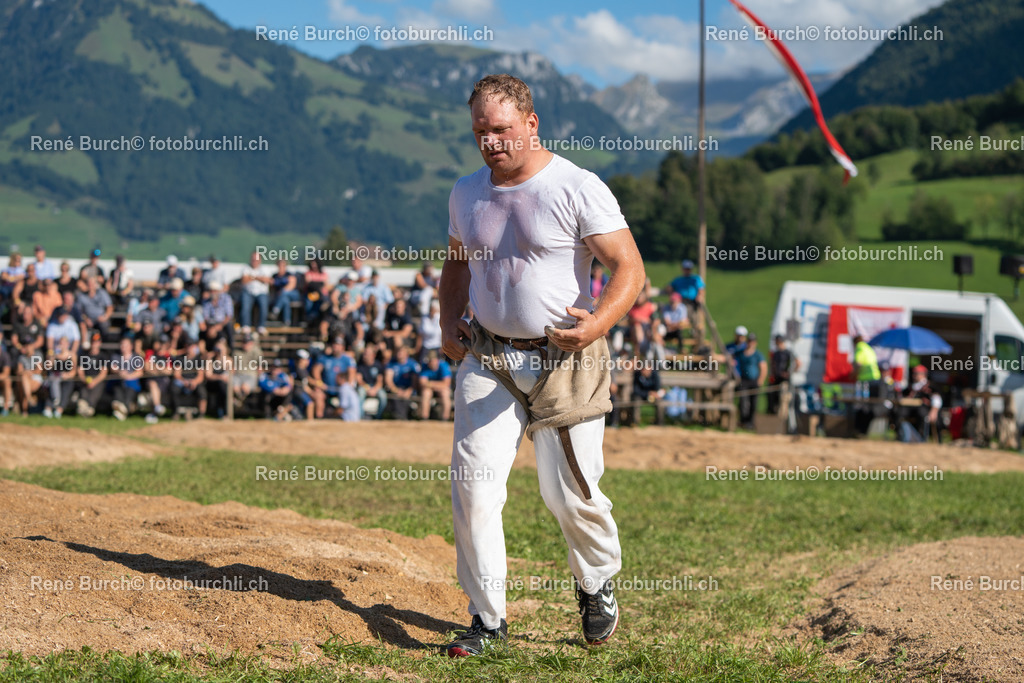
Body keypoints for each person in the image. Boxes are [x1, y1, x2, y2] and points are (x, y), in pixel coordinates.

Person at [440, 74, 645, 656]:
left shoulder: (578, 187)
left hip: (567, 358)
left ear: (531, 124)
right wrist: (448, 319)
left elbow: (628, 270)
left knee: (570, 494)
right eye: (481, 131)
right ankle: (487, 620)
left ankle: (596, 581)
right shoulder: (465, 192)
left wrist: (597, 324)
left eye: (502, 130)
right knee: (474, 486)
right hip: (490, 356)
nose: (491, 142)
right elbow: (457, 263)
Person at [901, 364, 943, 442]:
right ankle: (904, 437)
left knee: (922, 414)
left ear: (923, 375)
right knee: (900, 414)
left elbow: (937, 399)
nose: (914, 376)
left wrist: (934, 411)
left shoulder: (930, 386)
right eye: (914, 373)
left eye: (916, 374)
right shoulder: (910, 387)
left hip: (925, 410)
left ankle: (921, 439)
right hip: (911, 410)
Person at [736, 332, 767, 429]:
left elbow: (763, 367)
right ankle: (743, 421)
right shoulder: (741, 354)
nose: (750, 343)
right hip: (744, 381)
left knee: (753, 403)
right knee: (743, 402)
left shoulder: (758, 355)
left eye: (752, 341)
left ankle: (751, 422)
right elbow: (732, 360)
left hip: (754, 381)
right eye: (749, 341)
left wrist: (760, 380)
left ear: (755, 343)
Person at [667, 259, 704, 339]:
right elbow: (669, 287)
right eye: (686, 268)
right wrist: (671, 294)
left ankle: (693, 333)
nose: (687, 270)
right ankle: (684, 331)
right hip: (681, 301)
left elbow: (701, 289)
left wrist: (699, 296)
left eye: (689, 269)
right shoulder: (678, 279)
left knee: (693, 318)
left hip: (692, 302)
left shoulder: (695, 278)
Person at [384, 343, 419, 420]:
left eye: (401, 352)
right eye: (398, 352)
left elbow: (415, 381)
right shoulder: (391, 363)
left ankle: (404, 417)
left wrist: (409, 391)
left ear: (406, 354)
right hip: (396, 389)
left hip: (408, 389)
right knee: (397, 397)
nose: (399, 354)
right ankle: (400, 417)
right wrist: (396, 390)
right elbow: (388, 380)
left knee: (405, 398)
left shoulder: (412, 364)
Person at [767, 335, 799, 415]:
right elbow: (772, 364)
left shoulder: (788, 352)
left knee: (783, 397)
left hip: (784, 380)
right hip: (776, 379)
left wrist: (789, 373)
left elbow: (798, 363)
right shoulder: (776, 353)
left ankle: (783, 414)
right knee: (773, 396)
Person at [240, 251, 272, 334]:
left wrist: (252, 277)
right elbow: (244, 280)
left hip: (261, 292)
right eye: (253, 259)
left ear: (260, 260)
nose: (254, 261)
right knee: (245, 306)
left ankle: (261, 326)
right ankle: (246, 325)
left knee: (264, 306)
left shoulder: (265, 269)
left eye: (256, 259)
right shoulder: (245, 268)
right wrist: (259, 278)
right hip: (248, 292)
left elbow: (268, 280)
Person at [417, 350, 452, 420]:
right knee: (426, 393)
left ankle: (445, 419)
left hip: (441, 389)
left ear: (437, 360)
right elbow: (422, 382)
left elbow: (446, 383)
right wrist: (437, 385)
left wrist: (430, 384)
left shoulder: (444, 365)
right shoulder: (425, 366)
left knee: (445, 393)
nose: (431, 362)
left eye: (432, 360)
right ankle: (424, 418)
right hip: (430, 389)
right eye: (429, 361)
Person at [355, 345, 387, 419]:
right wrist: (368, 388)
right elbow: (359, 380)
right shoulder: (360, 365)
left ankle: (378, 417)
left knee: (383, 396)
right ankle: (360, 416)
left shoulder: (378, 365)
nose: (365, 355)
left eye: (367, 353)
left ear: (373, 355)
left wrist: (374, 389)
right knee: (360, 393)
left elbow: (380, 381)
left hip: (375, 387)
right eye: (364, 353)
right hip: (364, 387)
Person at [270, 258, 301, 326]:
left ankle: (275, 310)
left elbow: (292, 285)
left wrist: (282, 291)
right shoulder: (275, 276)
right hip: (282, 297)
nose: (281, 267)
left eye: (283, 265)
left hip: (293, 294)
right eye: (280, 265)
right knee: (285, 299)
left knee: (284, 293)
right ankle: (287, 321)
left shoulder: (289, 275)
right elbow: (271, 286)